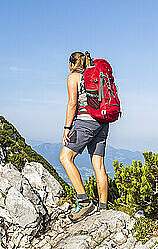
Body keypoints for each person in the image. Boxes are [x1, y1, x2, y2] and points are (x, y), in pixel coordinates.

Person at [59, 51, 109, 222]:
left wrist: (67, 128)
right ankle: (103, 208)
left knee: (65, 158)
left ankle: (84, 202)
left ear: (72, 63)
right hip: (102, 122)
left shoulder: (74, 77)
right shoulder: (96, 75)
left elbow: (72, 103)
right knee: (99, 165)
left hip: (85, 122)